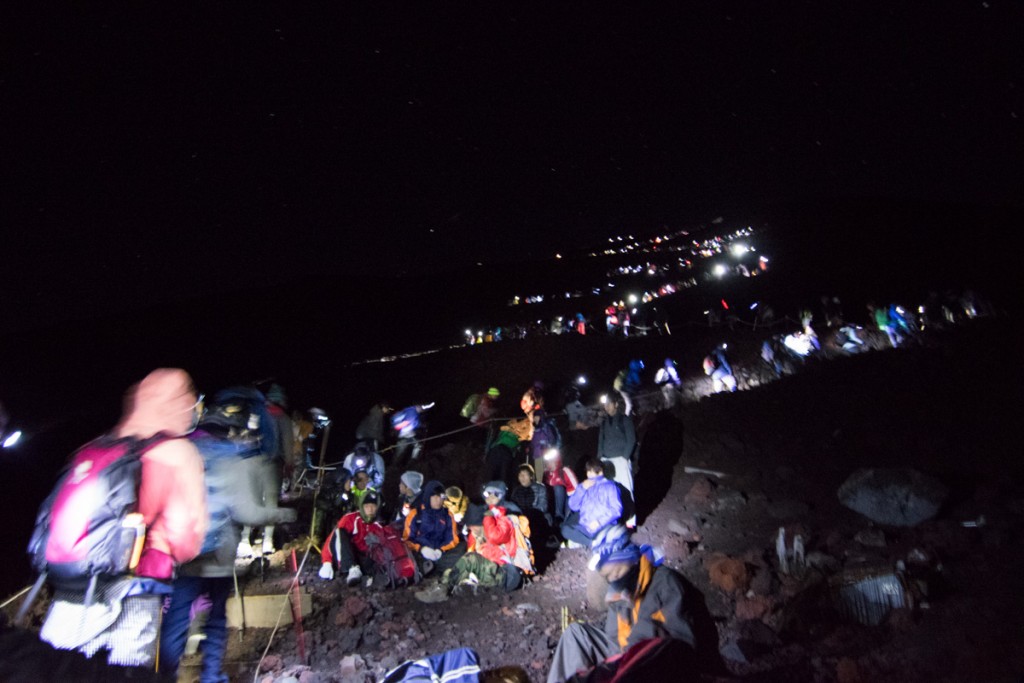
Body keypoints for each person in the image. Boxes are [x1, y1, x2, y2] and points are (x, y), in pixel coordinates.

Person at [38, 369, 208, 669]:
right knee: (126, 673)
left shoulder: (94, 448)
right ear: (178, 404)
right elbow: (186, 539)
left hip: (69, 588)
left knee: (56, 670)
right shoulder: (176, 452)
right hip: (131, 593)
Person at [161, 412, 298, 683]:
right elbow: (247, 513)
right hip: (219, 557)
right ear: (228, 432)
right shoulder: (233, 461)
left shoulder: (183, 456)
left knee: (177, 620)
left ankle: (165, 676)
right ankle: (212, 676)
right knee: (215, 619)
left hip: (186, 554)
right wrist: (285, 515)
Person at [546, 526, 698, 683]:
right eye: (607, 576)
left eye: (617, 571)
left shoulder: (664, 583)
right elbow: (614, 636)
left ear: (630, 559)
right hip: (625, 654)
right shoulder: (619, 590)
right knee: (576, 633)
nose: (613, 579)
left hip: (658, 661)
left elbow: (680, 643)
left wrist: (619, 664)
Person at [319, 491, 388, 586]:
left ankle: (368, 578)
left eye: (373, 506)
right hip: (345, 558)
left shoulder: (378, 527)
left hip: (363, 560)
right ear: (362, 507)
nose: (370, 510)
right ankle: (351, 569)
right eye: (367, 506)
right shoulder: (350, 519)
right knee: (340, 531)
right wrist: (327, 562)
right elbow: (333, 538)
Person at [403, 480, 463, 576]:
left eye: (441, 497)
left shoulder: (447, 515)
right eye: (435, 497)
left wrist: (441, 550)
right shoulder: (415, 514)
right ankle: (425, 568)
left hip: (440, 554)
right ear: (428, 496)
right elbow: (407, 539)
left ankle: (438, 568)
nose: (439, 500)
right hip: (420, 554)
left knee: (462, 548)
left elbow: (452, 539)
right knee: (411, 558)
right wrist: (421, 549)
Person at [561, 459, 622, 548]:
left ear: (600, 472)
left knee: (608, 533)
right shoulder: (584, 487)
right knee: (565, 530)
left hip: (603, 526)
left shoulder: (610, 487)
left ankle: (587, 541)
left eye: (592, 472)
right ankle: (592, 543)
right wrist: (581, 489)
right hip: (586, 526)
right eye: (588, 472)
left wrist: (599, 522)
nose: (589, 475)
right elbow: (573, 506)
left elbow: (616, 510)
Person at [597, 392, 637, 524]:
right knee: (609, 491)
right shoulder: (604, 423)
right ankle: (613, 519)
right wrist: (599, 459)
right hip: (607, 461)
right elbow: (601, 441)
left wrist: (625, 457)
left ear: (616, 404)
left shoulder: (624, 420)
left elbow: (631, 439)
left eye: (609, 404)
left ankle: (630, 520)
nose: (607, 407)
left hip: (620, 459)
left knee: (626, 488)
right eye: (605, 405)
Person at [542, 449, 578, 524]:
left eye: (552, 461)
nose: (549, 464)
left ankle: (565, 519)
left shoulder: (564, 471)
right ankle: (557, 519)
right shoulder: (547, 474)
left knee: (558, 487)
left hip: (570, 497)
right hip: (554, 501)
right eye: (548, 462)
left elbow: (576, 488)